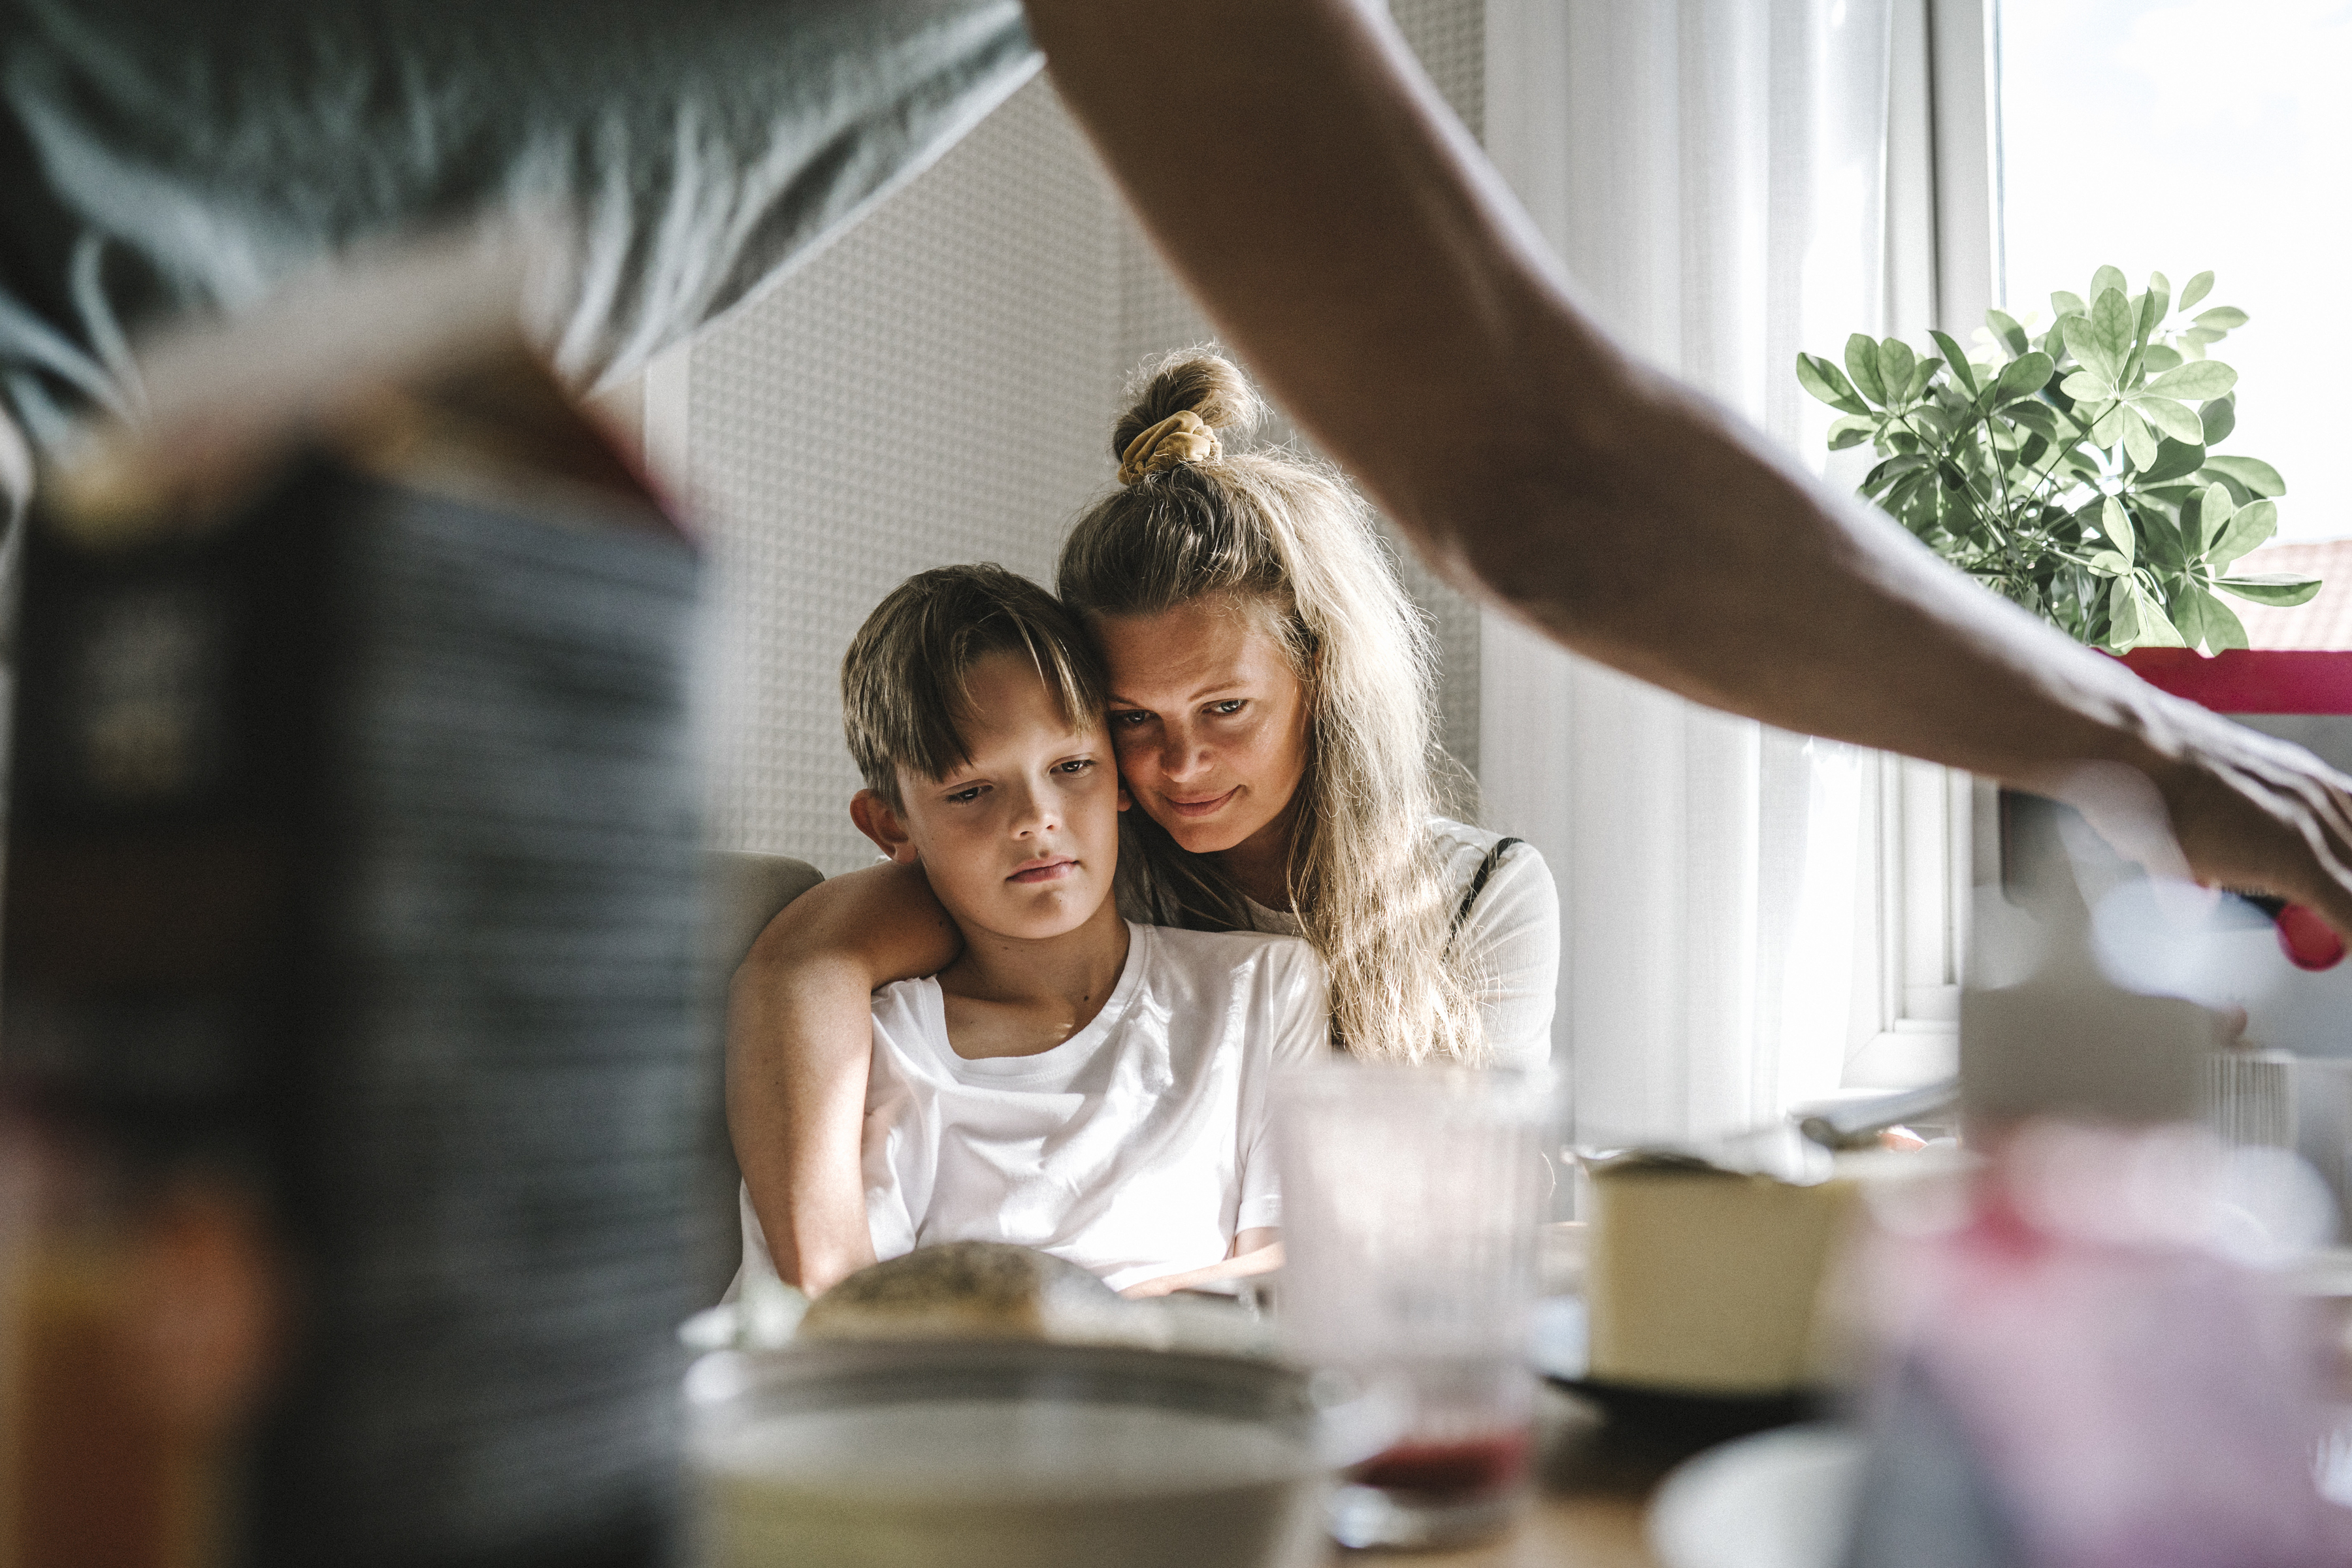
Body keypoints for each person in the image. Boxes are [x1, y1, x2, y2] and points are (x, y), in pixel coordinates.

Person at [8, 8, 2352, 1110]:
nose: (1140, 776)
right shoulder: (1045, 887)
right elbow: (1546, 475)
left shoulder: (1465, 899)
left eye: (1211, 714)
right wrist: (2146, 740)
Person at [729, 352, 1558, 1292]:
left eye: (1225, 708)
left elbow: (1465, 1222)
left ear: (1321, 681)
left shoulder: (1475, 897)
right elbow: (806, 962)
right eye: (1132, 719)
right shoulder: (1074, 869)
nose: (1180, 765)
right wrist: (834, 1286)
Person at [732, 563, 1327, 1299]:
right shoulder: (879, 1053)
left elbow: (1292, 1282)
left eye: (1072, 765)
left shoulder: (1261, 988)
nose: (1036, 819)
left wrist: (1068, 1328)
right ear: (890, 825)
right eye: (972, 791)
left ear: (1120, 779)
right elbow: (830, 1324)